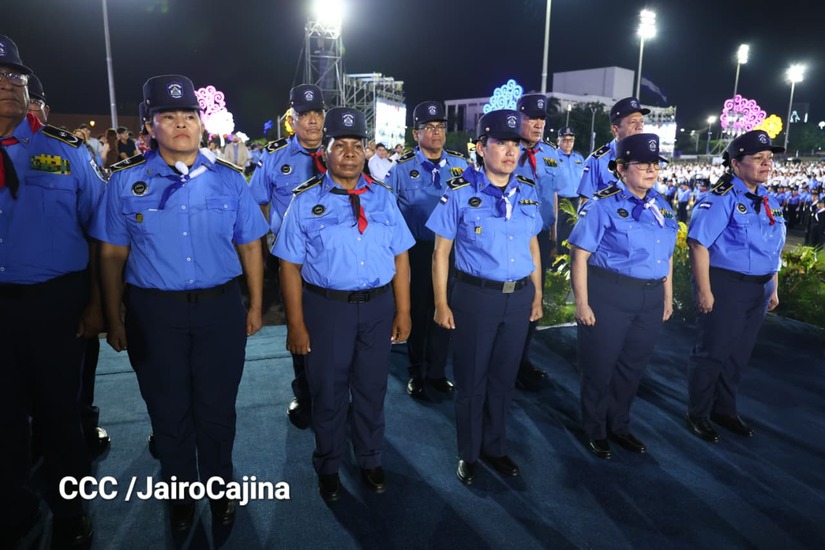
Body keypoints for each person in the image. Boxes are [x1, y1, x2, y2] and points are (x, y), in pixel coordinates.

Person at [92, 74, 267, 531]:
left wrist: (254, 306)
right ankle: (181, 493)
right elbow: (111, 255)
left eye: (188, 114)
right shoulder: (125, 182)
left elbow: (251, 245)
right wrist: (114, 317)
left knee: (216, 408)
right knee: (168, 410)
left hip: (219, 310)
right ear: (149, 125)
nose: (181, 123)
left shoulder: (229, 180)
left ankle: (219, 488)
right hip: (155, 314)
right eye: (167, 116)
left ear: (200, 122)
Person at [273, 107, 414, 502]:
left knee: (371, 388)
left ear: (367, 152)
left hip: (377, 308)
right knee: (328, 391)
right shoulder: (303, 202)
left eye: (357, 145)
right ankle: (329, 462)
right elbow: (288, 267)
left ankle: (370, 457)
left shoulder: (383, 199)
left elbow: (401, 257)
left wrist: (403, 311)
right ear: (326, 151)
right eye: (340, 145)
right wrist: (296, 325)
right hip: (327, 309)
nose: (349, 153)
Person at [0, 34, 104, 547]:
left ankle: (71, 511)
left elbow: (100, 231)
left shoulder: (65, 152)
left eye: (15, 76)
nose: (7, 85)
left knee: (60, 416)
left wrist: (98, 305)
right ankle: (15, 508)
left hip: (53, 306)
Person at [426, 109, 543, 485]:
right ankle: (470, 452)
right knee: (472, 379)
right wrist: (442, 303)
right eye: (501, 143)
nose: (511, 152)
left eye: (516, 145)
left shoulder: (526, 191)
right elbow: (440, 252)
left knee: (503, 379)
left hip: (518, 297)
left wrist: (537, 294)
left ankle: (495, 446)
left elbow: (533, 246)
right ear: (481, 147)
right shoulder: (459, 191)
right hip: (476, 298)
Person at [568, 133, 678, 459]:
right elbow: (579, 256)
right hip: (610, 294)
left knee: (632, 367)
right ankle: (594, 429)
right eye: (642, 163)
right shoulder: (603, 204)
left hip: (650, 297)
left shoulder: (663, 205)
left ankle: (619, 425)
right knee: (600, 366)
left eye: (654, 164)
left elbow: (667, 257)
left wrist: (668, 297)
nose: (650, 169)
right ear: (620, 167)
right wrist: (582, 302)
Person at [685, 130, 786, 443]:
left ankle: (724, 410)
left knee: (737, 355)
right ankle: (698, 413)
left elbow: (772, 249)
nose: (767, 164)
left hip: (759, 288)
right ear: (735, 163)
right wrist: (704, 290)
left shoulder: (769, 199)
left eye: (769, 158)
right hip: (727, 285)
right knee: (712, 353)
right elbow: (698, 243)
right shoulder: (721, 197)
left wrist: (774, 286)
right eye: (758, 158)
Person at [249, 83, 328, 430]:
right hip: (292, 261)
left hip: (334, 259)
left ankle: (336, 396)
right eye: (304, 115)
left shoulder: (341, 149)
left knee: (336, 330)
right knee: (299, 327)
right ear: (291, 120)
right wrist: (269, 244)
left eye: (317, 114)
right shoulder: (274, 156)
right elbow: (259, 202)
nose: (312, 121)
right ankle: (307, 395)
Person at [384, 100, 468, 400]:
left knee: (445, 310)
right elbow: (388, 215)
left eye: (440, 127)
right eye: (428, 128)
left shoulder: (462, 166)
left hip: (450, 252)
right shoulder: (401, 170)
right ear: (415, 133)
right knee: (419, 313)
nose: (435, 133)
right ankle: (417, 372)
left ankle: (437, 372)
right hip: (417, 253)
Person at [513, 93, 559, 389]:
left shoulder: (550, 154)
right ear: (518, 117)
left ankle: (522, 359)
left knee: (533, 299)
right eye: (531, 117)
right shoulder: (503, 148)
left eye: (541, 118)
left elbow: (553, 195)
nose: (538, 123)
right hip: (512, 235)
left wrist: (554, 238)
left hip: (540, 236)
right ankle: (505, 358)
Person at [577, 96, 649, 201]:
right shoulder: (597, 161)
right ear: (615, 129)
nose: (640, 126)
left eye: (641, 121)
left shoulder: (647, 159)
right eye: (633, 122)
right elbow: (585, 203)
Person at [554, 126, 585, 256]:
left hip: (576, 200)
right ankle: (557, 256)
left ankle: (567, 257)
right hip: (559, 199)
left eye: (570, 140)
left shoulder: (579, 158)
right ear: (558, 141)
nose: (568, 143)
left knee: (573, 230)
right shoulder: (553, 156)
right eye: (564, 140)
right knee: (558, 230)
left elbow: (584, 179)